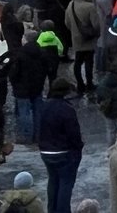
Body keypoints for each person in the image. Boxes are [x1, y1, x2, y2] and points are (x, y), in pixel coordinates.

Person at [36, 78, 83, 213]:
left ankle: (52, 210)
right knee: (65, 184)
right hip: (64, 152)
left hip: (46, 151)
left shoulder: (45, 106)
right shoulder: (67, 109)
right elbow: (74, 133)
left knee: (53, 181)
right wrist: (78, 147)